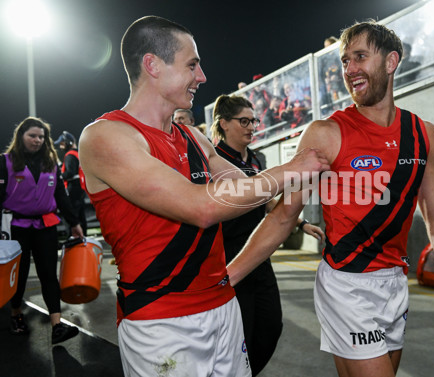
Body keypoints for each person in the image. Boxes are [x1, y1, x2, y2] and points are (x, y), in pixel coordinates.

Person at [227, 20, 434, 377]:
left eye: (360, 57)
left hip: (395, 282)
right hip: (346, 284)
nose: (349, 70)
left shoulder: (425, 136)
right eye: (345, 61)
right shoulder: (326, 133)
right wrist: (227, 278)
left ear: (391, 62)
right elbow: (283, 217)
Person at [78, 16, 328, 377]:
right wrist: (295, 168)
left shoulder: (194, 138)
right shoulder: (106, 136)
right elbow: (202, 206)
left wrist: (302, 178)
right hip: (160, 322)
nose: (202, 77)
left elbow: (248, 192)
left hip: (224, 307)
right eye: (192, 65)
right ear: (153, 65)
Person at [210, 94, 325, 376]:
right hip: (229, 258)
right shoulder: (212, 160)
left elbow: (266, 200)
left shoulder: (258, 158)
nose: (251, 127)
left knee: (271, 328)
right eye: (244, 121)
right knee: (241, 333)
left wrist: (299, 223)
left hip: (260, 255)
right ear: (224, 123)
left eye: (254, 121)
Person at [0, 117, 84, 344]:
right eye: (32, 136)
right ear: (21, 136)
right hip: (16, 228)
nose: (37, 140)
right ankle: (16, 315)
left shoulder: (51, 162)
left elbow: (60, 195)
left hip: (45, 226)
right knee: (19, 277)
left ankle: (57, 325)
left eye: (41, 136)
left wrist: (74, 222)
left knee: (49, 275)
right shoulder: (5, 162)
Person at [55, 131, 88, 235]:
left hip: (73, 189)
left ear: (68, 142)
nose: (61, 146)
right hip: (81, 188)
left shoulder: (70, 155)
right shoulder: (78, 153)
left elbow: (70, 173)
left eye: (62, 143)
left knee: (72, 217)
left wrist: (58, 176)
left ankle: (75, 240)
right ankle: (83, 239)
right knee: (81, 216)